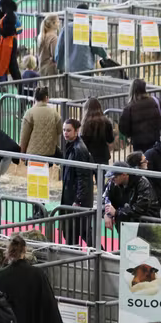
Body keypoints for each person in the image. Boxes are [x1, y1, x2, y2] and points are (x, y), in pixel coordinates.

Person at [61, 118, 93, 247]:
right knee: (77, 231)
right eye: (64, 130)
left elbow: (83, 177)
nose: (65, 133)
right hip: (73, 194)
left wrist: (78, 200)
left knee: (81, 231)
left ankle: (99, 254)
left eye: (68, 130)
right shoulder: (73, 146)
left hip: (76, 197)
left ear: (76, 131)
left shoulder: (78, 149)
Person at [103, 160, 159, 228]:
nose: (112, 180)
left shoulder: (141, 183)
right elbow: (104, 199)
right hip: (126, 225)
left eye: (115, 177)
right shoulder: (113, 184)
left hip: (146, 225)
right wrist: (107, 214)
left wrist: (117, 213)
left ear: (124, 175)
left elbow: (140, 208)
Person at [119, 79, 161, 153]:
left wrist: (130, 135)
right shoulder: (156, 101)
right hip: (157, 140)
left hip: (139, 144)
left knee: (142, 159)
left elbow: (123, 127)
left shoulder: (130, 107)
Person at [19, 87, 63, 161]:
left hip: (32, 154)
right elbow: (60, 131)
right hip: (50, 153)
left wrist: (22, 153)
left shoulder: (29, 113)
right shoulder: (54, 113)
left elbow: (24, 136)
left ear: (34, 98)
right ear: (46, 98)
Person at [55, 2, 96, 74]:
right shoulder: (89, 29)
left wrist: (59, 62)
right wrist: (105, 56)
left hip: (69, 67)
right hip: (85, 66)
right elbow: (97, 47)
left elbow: (60, 46)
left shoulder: (66, 28)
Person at [0, 0, 21, 83]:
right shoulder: (9, 15)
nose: (0, 8)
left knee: (6, 66)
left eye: (1, 6)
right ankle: (20, 87)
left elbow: (6, 32)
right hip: (8, 42)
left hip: (8, 44)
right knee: (12, 67)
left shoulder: (10, 17)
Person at [80, 97, 115, 165]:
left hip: (90, 156)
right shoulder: (107, 122)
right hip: (103, 155)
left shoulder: (85, 124)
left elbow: (83, 142)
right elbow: (110, 139)